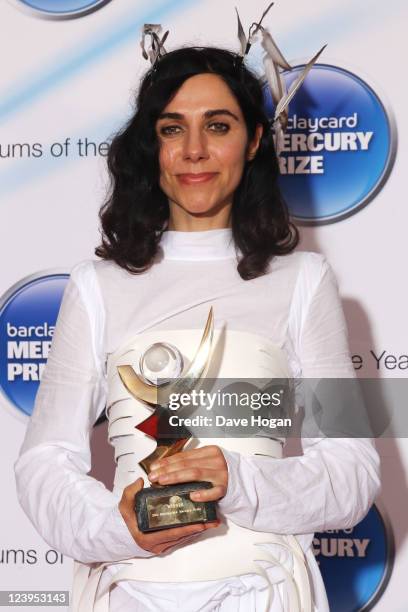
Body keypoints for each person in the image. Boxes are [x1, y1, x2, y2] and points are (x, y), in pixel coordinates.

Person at [14, 42, 381, 612]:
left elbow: (352, 471)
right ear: (151, 145)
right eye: (171, 129)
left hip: (263, 593)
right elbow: (43, 462)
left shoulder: (304, 280)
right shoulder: (97, 285)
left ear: (254, 139)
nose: (194, 151)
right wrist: (119, 526)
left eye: (217, 126)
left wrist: (240, 482)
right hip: (128, 593)